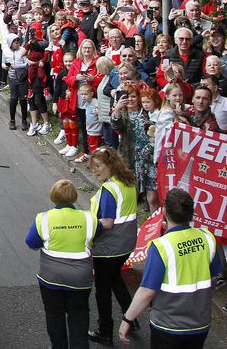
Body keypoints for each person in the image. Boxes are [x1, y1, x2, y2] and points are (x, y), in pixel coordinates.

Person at [118, 188, 223, 347]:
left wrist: (127, 319)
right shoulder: (207, 238)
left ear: (164, 211)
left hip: (168, 325)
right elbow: (213, 279)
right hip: (200, 323)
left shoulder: (161, 246)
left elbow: (147, 291)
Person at [25, 179, 98, 349]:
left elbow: (31, 243)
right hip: (80, 280)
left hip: (51, 279)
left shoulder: (43, 219)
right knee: (79, 315)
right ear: (74, 197)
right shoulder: (89, 218)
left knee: (54, 315)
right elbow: (97, 234)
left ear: (53, 198)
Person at [87, 147, 137, 346]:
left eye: (98, 166)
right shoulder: (127, 181)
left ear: (110, 165)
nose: (95, 172)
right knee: (115, 278)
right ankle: (130, 318)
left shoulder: (109, 190)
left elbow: (107, 222)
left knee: (102, 289)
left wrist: (88, 225)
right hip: (127, 243)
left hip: (108, 248)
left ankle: (105, 331)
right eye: (92, 168)